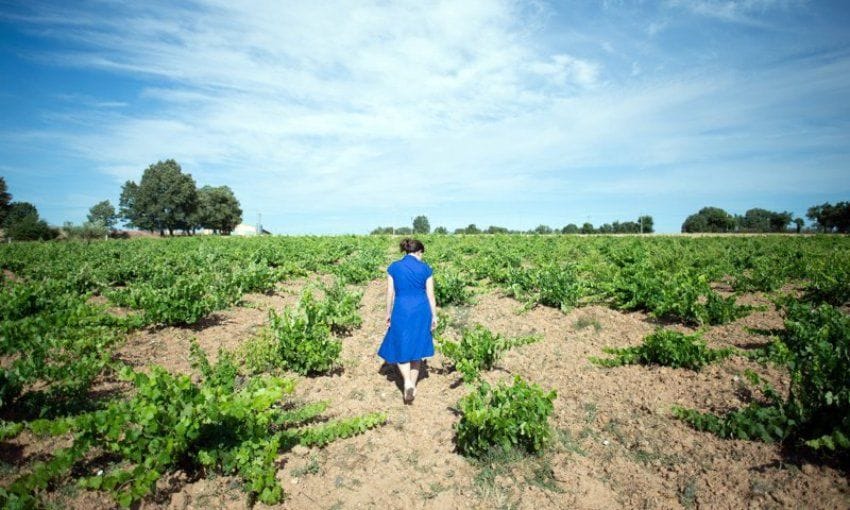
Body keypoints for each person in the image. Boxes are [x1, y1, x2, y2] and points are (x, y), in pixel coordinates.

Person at [378, 238, 437, 404]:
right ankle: (412, 384)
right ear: (419, 252)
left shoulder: (394, 267)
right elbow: (431, 295)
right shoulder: (426, 269)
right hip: (421, 309)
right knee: (417, 347)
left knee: (402, 345)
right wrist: (434, 315)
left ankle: (408, 383)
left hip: (402, 309)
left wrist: (388, 313)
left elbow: (390, 293)